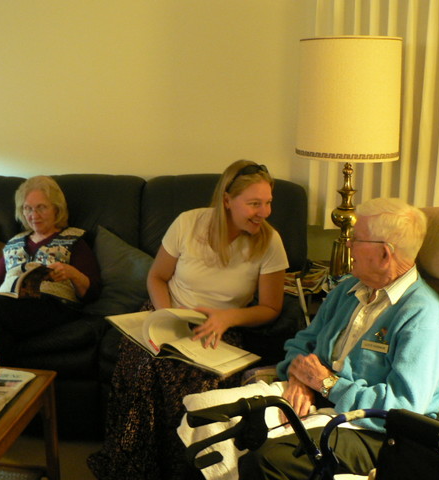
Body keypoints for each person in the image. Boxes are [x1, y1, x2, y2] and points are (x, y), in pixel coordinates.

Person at [179, 198, 439, 480]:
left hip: (374, 432)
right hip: (319, 400)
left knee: (268, 460)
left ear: (385, 254)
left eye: (356, 239)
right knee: (203, 413)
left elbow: (403, 410)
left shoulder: (423, 316)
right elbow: (302, 344)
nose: (347, 245)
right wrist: (300, 379)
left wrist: (326, 384)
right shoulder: (349, 289)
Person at [87, 160, 289, 480]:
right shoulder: (188, 223)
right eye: (254, 203)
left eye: (268, 203)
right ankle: (134, 470)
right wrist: (166, 317)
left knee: (198, 381)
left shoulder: (269, 242)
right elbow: (157, 277)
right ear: (227, 200)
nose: (264, 212)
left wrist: (228, 317)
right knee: (147, 367)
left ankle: (184, 471)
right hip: (165, 311)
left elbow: (270, 308)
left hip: (219, 328)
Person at [0, 175, 101, 364]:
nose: (34, 215)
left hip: (54, 306)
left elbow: (93, 292)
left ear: (56, 208)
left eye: (41, 207)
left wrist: (72, 273)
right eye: (28, 208)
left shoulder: (74, 240)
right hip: (10, 307)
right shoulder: (13, 243)